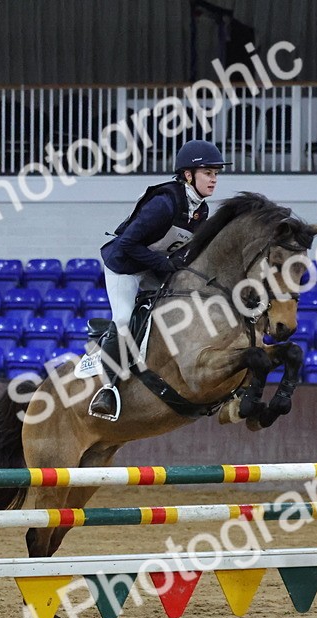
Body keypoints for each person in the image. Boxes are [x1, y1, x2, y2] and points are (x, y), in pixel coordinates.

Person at [88, 140, 231, 421]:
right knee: (123, 320)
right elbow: (128, 243)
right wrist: (166, 266)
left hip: (153, 266)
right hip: (125, 266)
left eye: (216, 173)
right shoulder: (164, 204)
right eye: (208, 173)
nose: (214, 179)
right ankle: (108, 389)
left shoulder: (201, 211)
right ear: (188, 175)